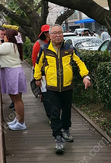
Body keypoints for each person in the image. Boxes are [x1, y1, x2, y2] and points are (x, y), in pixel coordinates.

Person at [34, 24, 91, 154]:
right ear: (49, 35)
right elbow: (38, 64)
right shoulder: (44, 49)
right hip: (52, 87)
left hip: (67, 86)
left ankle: (65, 129)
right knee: (54, 113)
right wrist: (37, 77)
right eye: (54, 33)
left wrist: (85, 76)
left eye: (60, 32)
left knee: (66, 110)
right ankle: (58, 137)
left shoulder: (70, 48)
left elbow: (80, 62)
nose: (58, 35)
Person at [31, 24, 51, 120]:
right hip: (43, 74)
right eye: (47, 32)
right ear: (44, 33)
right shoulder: (39, 44)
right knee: (46, 95)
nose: (49, 33)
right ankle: (50, 116)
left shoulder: (56, 42)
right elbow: (35, 60)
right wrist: (37, 76)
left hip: (55, 74)